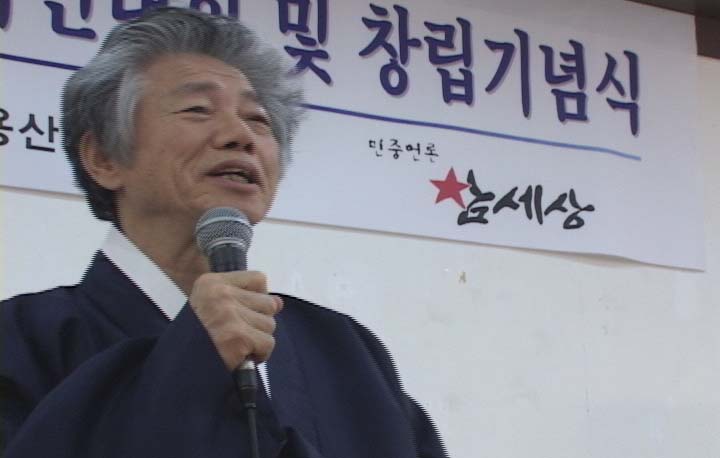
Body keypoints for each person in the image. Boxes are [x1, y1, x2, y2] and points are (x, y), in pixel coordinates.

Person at [0, 7, 447, 458]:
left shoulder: (344, 349)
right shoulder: (22, 340)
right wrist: (188, 364)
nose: (240, 135)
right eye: (197, 109)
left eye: (258, 119)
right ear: (103, 158)